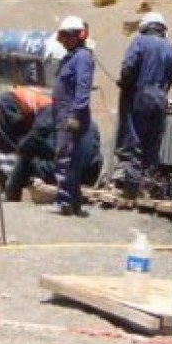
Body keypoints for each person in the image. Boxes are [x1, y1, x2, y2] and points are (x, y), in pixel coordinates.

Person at [114, 11, 172, 199]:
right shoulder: (171, 50)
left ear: (144, 27)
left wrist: (124, 83)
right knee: (152, 142)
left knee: (134, 139)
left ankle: (131, 187)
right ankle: (148, 185)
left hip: (140, 96)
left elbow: (128, 68)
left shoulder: (138, 42)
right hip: (160, 100)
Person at [51, 15, 97, 216]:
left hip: (71, 115)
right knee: (70, 157)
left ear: (78, 36)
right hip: (65, 114)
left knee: (66, 157)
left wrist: (76, 115)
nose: (64, 41)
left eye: (68, 37)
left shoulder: (82, 58)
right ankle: (72, 201)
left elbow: (83, 88)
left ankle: (64, 201)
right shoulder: (72, 57)